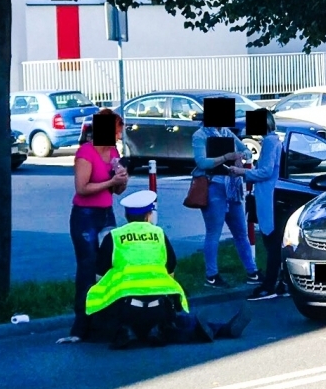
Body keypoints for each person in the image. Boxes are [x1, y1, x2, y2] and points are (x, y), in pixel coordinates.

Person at [83, 190, 249, 348]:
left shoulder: (114, 237)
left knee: (105, 314)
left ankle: (129, 331)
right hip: (158, 309)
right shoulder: (159, 235)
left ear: (126, 216)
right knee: (179, 322)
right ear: (149, 215)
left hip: (125, 310)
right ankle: (218, 329)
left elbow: (99, 278)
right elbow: (170, 271)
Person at [63, 108, 127, 341]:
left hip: (106, 213)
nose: (120, 137)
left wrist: (121, 180)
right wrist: (111, 180)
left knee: (109, 265)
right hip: (85, 216)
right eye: (118, 131)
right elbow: (82, 188)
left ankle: (104, 318)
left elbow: (116, 190)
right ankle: (81, 324)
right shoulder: (85, 153)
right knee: (88, 268)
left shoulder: (112, 152)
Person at [193, 116, 258, 287]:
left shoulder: (227, 132)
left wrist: (240, 156)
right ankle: (211, 275)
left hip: (231, 186)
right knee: (213, 232)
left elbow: (248, 151)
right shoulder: (200, 135)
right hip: (213, 185)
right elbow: (201, 162)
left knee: (241, 232)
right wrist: (226, 157)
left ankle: (252, 271)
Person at [242, 112, 283, 301]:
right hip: (272, 193)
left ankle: (270, 284)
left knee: (270, 239)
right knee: (274, 240)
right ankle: (280, 281)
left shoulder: (268, 142)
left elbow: (266, 171)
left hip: (268, 194)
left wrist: (243, 172)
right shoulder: (275, 140)